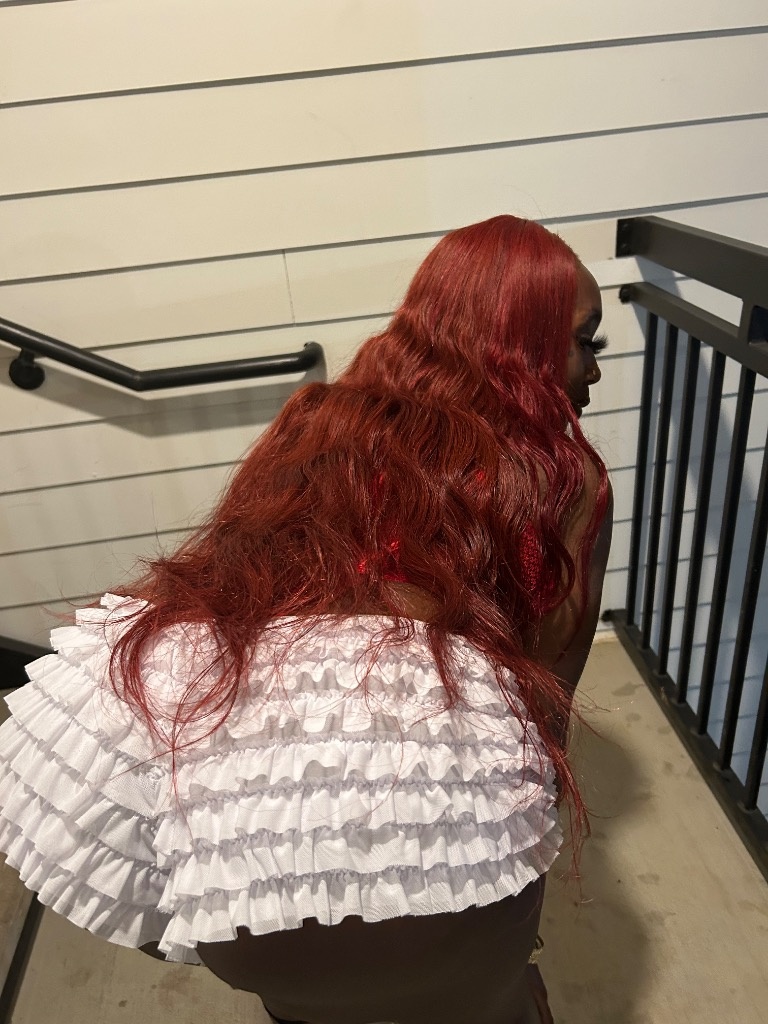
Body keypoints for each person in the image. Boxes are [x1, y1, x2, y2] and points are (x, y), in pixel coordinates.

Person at [0, 215, 611, 1024]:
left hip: (240, 884)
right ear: (519, 345)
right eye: (585, 342)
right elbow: (545, 710)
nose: (595, 370)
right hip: (440, 880)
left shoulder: (317, 420)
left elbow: (232, 580)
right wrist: (521, 855)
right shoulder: (559, 479)